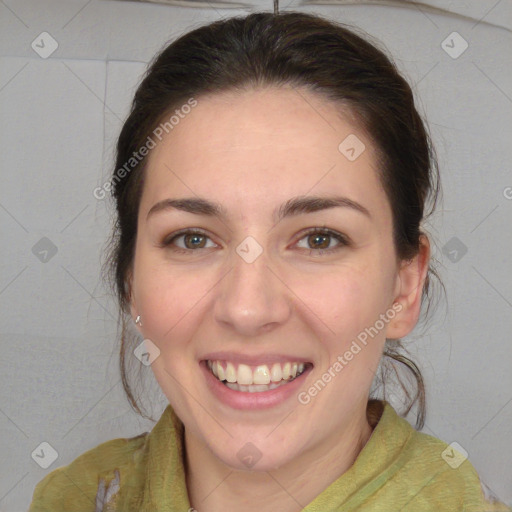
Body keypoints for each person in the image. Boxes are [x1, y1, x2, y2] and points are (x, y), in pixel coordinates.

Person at [29, 10, 511, 512]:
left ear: (404, 287)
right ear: (131, 280)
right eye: (193, 239)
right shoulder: (69, 499)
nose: (247, 309)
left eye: (320, 239)